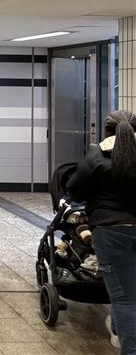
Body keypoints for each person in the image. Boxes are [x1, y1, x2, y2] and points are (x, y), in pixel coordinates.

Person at [67, 110, 136, 355]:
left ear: (107, 131)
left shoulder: (97, 156)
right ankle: (117, 331)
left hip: (111, 231)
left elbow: (75, 190)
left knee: (125, 298)